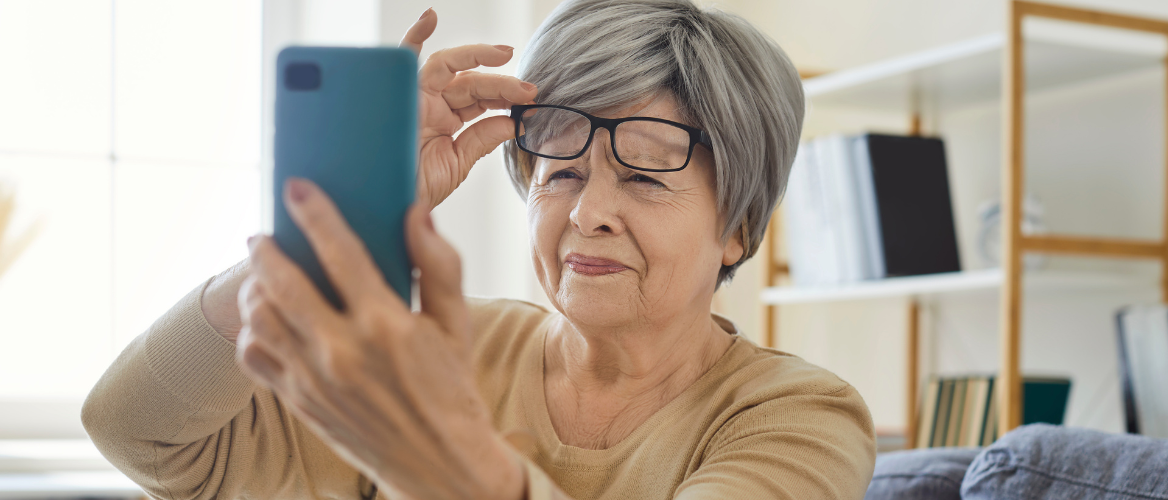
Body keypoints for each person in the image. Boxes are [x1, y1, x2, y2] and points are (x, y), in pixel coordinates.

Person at [82, 0, 876, 498]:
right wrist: (339, 222)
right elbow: (139, 432)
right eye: (560, 169)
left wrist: (435, 453)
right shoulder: (442, 343)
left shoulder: (799, 416)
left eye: (645, 170)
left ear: (737, 223)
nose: (588, 212)